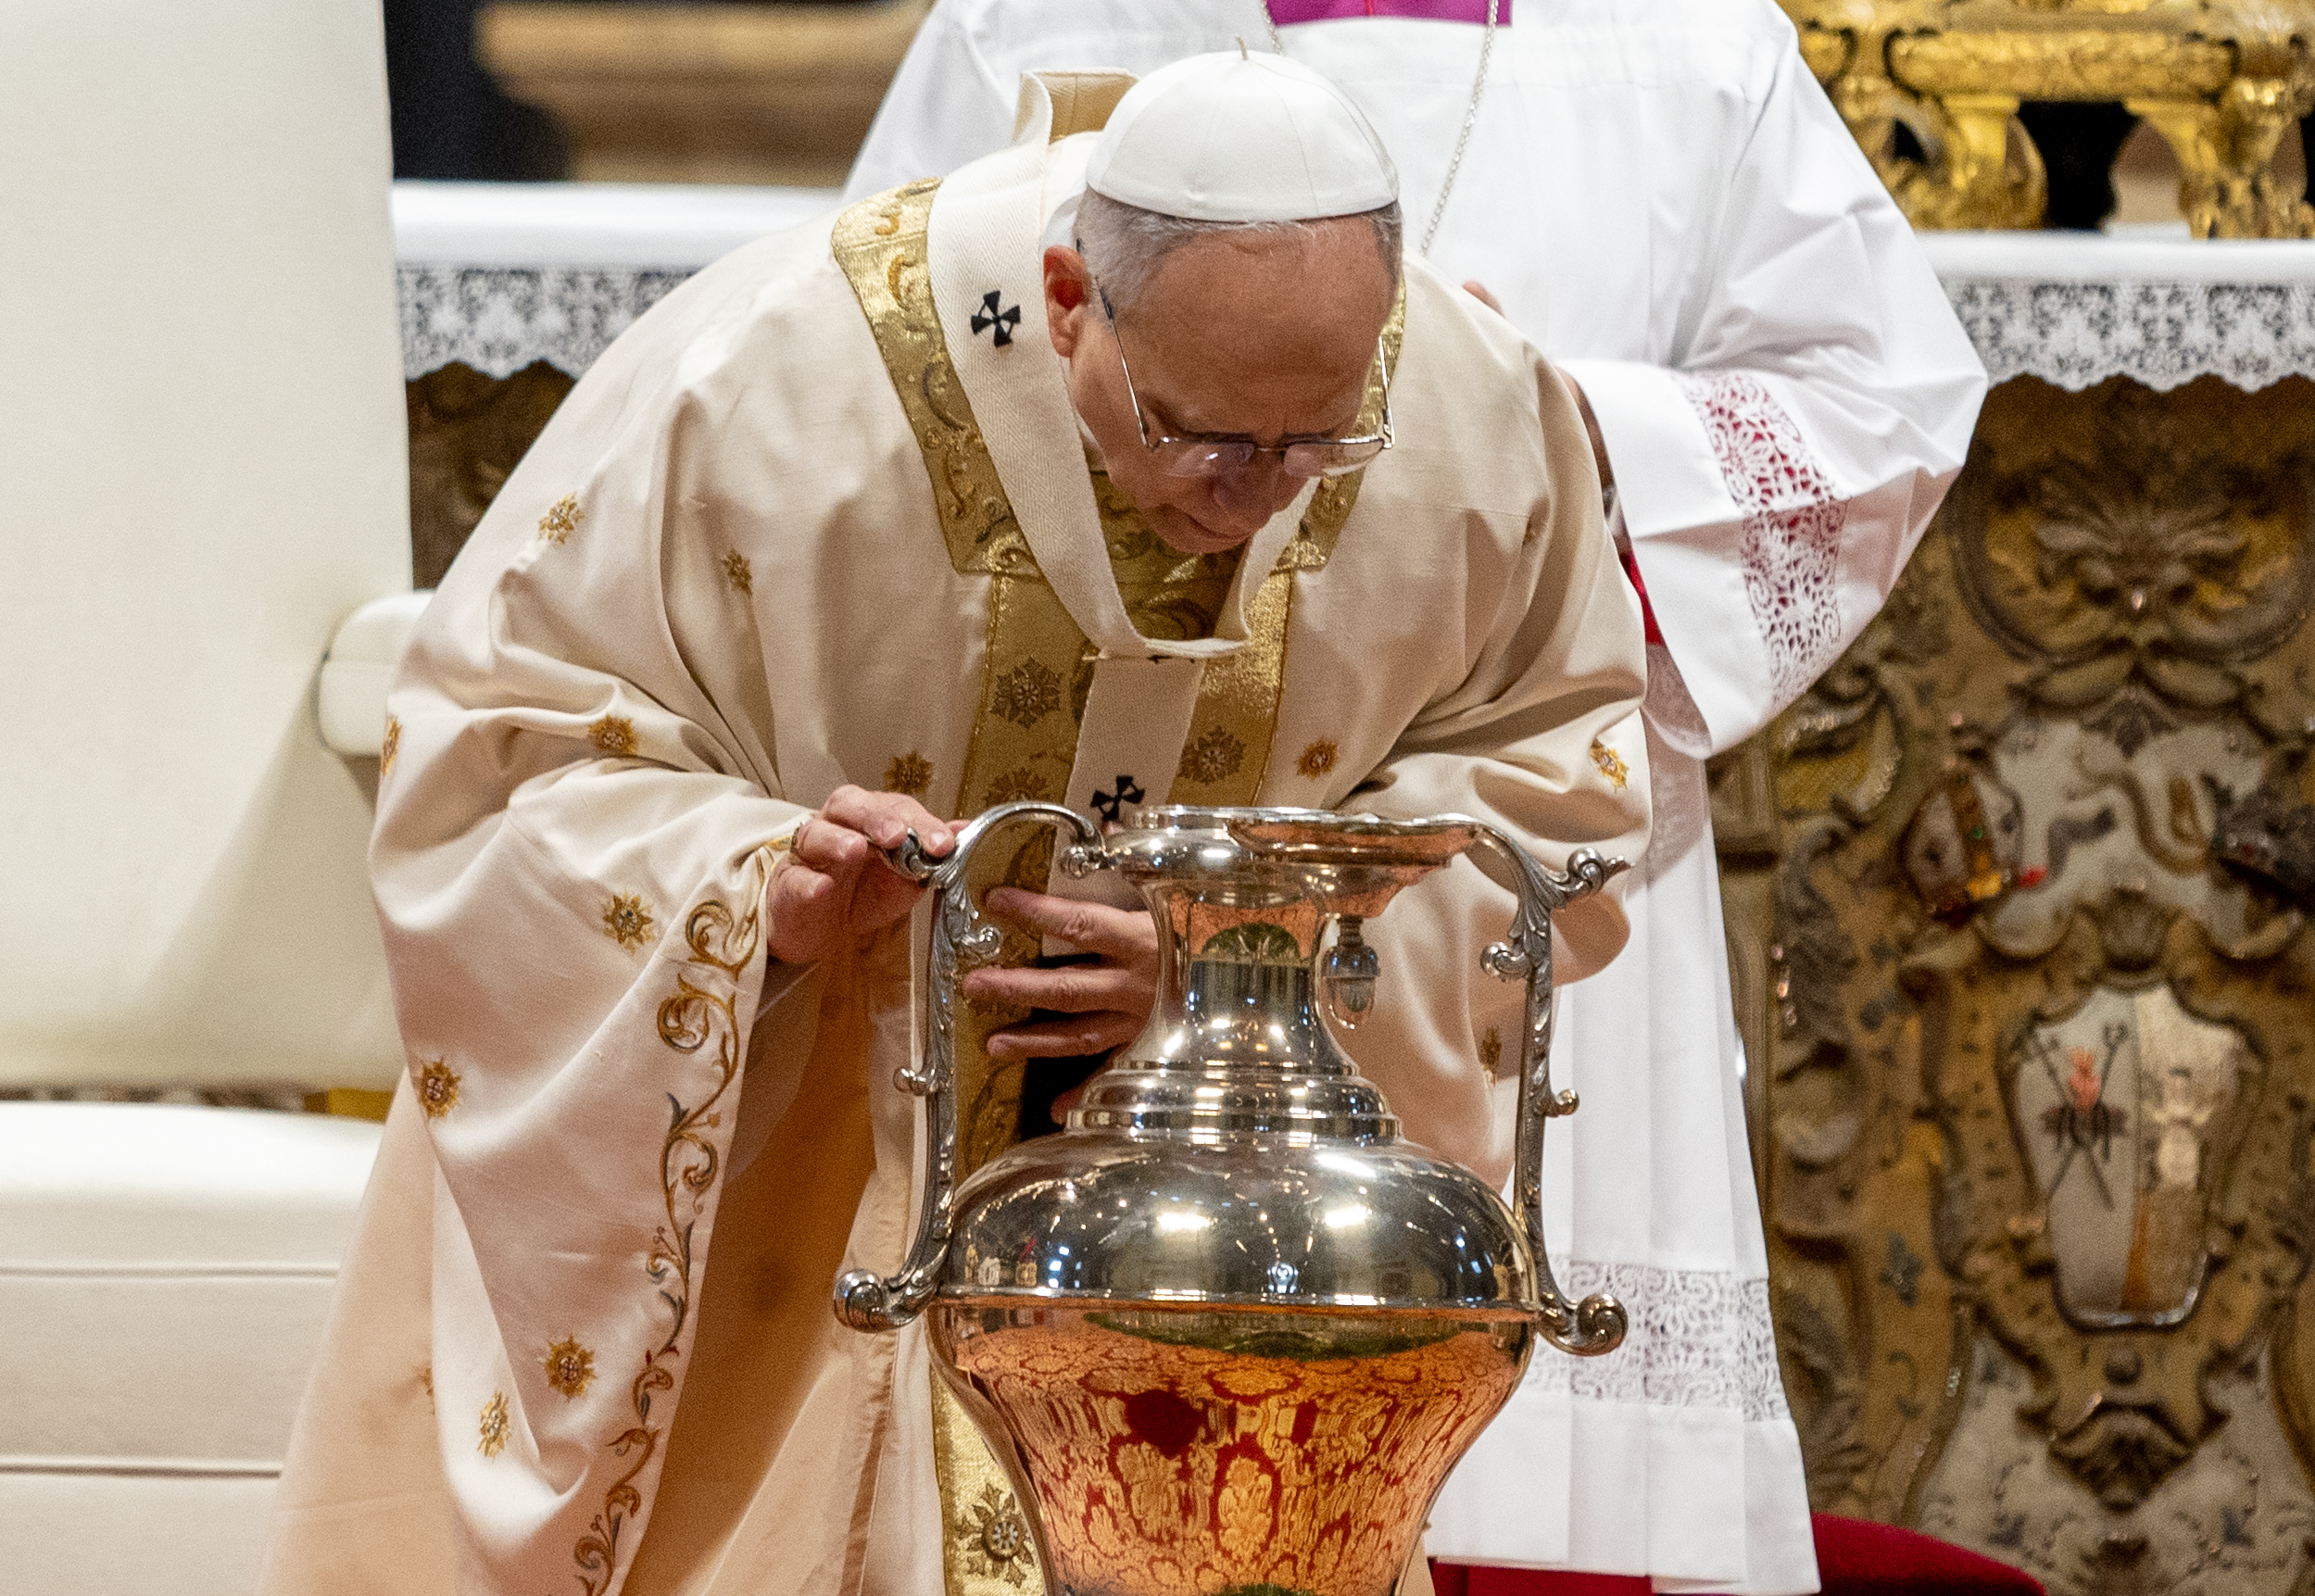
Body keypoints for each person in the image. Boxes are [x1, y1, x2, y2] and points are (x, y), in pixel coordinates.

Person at [260, 52, 1651, 1596]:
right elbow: (499, 760)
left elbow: (1559, 786)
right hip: (809, 1179)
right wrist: (756, 890)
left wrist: (1251, 962)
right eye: (1203, 432)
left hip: (1214, 1237)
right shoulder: (772, 382)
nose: (1257, 494)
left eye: (1320, 441)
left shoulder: (1474, 413)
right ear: (1069, 301)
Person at [851, 6, 1988, 1593]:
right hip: (1096, 826)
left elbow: (1880, 405)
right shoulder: (1036, 23)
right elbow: (899, 360)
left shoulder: (1695, 46)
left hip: (1499, 812)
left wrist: (1530, 427)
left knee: (1524, 1481)